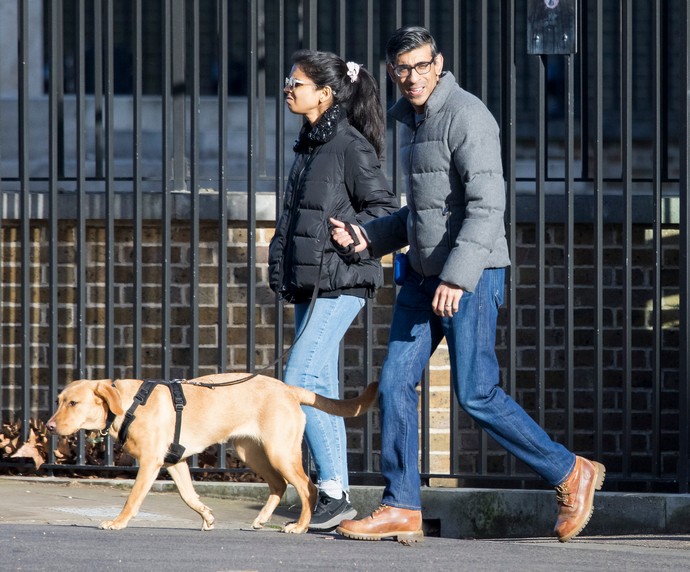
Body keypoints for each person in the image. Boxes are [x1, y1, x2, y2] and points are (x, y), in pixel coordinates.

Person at [331, 26, 605, 543]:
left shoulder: (467, 116)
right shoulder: (414, 121)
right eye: (402, 68)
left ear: (438, 64)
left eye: (420, 65)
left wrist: (457, 277)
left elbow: (486, 206)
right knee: (393, 384)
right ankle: (401, 504)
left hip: (470, 276)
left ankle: (571, 471)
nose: (412, 77)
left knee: (476, 393)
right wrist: (368, 237)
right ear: (391, 71)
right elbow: (426, 213)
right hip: (422, 277)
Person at [268, 49, 396, 531]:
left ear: (324, 93)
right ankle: (336, 493)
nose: (288, 88)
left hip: (343, 281)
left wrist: (354, 234)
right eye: (289, 80)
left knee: (298, 378)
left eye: (296, 82)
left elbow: (384, 210)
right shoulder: (311, 143)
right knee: (319, 385)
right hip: (312, 284)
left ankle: (332, 493)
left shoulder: (348, 145)